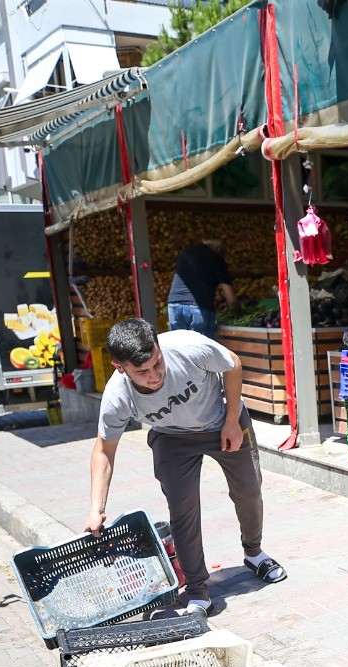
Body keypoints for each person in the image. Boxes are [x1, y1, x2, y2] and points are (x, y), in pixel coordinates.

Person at [87, 319, 286, 615]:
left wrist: (232, 420)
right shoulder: (117, 397)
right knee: (183, 510)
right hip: (172, 438)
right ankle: (197, 589)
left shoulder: (188, 348)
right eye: (142, 372)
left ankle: (254, 552)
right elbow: (104, 451)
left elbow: (232, 364)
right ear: (120, 367)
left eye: (157, 363)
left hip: (223, 421)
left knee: (249, 491)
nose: (154, 376)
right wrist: (96, 507)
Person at [166, 239, 238, 337]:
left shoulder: (185, 252)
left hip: (174, 305)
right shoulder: (216, 258)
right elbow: (231, 299)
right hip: (198, 307)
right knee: (202, 349)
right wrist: (236, 313)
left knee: (180, 347)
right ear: (219, 249)